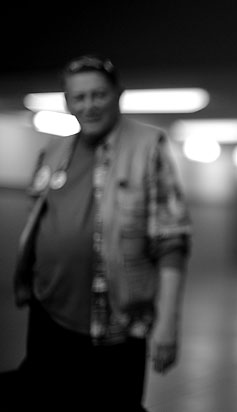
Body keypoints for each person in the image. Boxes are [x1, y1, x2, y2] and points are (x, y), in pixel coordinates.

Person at [8, 54, 191, 411]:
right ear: (67, 102)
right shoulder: (54, 149)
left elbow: (172, 242)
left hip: (116, 321)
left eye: (98, 95)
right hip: (48, 309)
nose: (88, 105)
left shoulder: (147, 147)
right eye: (79, 97)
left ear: (118, 95)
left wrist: (168, 324)